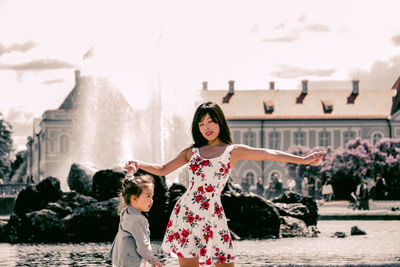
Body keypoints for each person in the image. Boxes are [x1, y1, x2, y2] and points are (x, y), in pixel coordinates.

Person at [126, 101, 325, 267]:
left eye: (211, 122)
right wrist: (139, 163)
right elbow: (162, 169)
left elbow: (268, 153)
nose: (207, 127)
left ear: (220, 122)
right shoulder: (192, 152)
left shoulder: (232, 151)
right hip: (186, 213)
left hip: (213, 213)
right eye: (202, 124)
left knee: (225, 262)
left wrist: (303, 160)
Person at [110, 172, 162, 267]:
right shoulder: (139, 220)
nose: (151, 200)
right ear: (134, 198)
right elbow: (142, 246)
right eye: (148, 196)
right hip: (132, 263)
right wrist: (152, 259)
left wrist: (130, 173)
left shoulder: (126, 210)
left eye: (152, 196)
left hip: (120, 259)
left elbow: (128, 188)